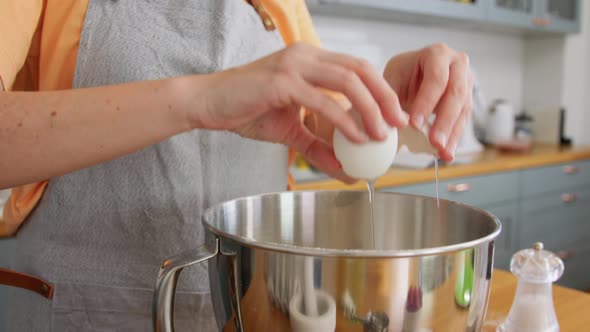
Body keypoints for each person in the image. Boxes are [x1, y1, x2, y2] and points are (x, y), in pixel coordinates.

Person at [0, 0, 472, 330]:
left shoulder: (278, 4)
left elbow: (328, 138)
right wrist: (201, 98)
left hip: (244, 313)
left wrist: (384, 108)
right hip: (79, 310)